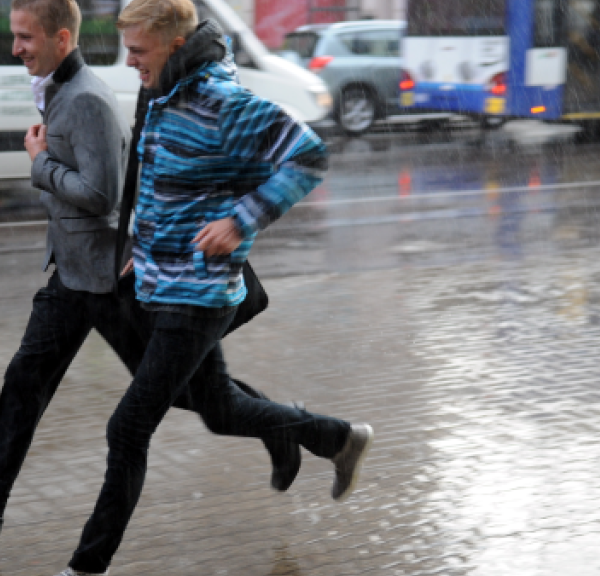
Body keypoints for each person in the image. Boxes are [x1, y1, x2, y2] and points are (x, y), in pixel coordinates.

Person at [0, 0, 301, 551]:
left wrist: (40, 164)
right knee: (26, 379)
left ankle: (281, 426)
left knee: (189, 392)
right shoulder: (57, 87)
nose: (16, 47)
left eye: (26, 37)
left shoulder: (87, 98)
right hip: (72, 275)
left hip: (111, 279)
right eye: (15, 36)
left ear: (60, 38)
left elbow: (101, 195)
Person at [54, 1, 374, 574]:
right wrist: (140, 250)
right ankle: (335, 438)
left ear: (175, 45)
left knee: (127, 427)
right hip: (164, 284)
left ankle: (86, 567)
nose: (129, 62)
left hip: (198, 294)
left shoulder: (222, 102)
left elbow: (309, 156)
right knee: (220, 410)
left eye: (139, 51)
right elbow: (166, 189)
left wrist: (241, 221)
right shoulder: (164, 94)